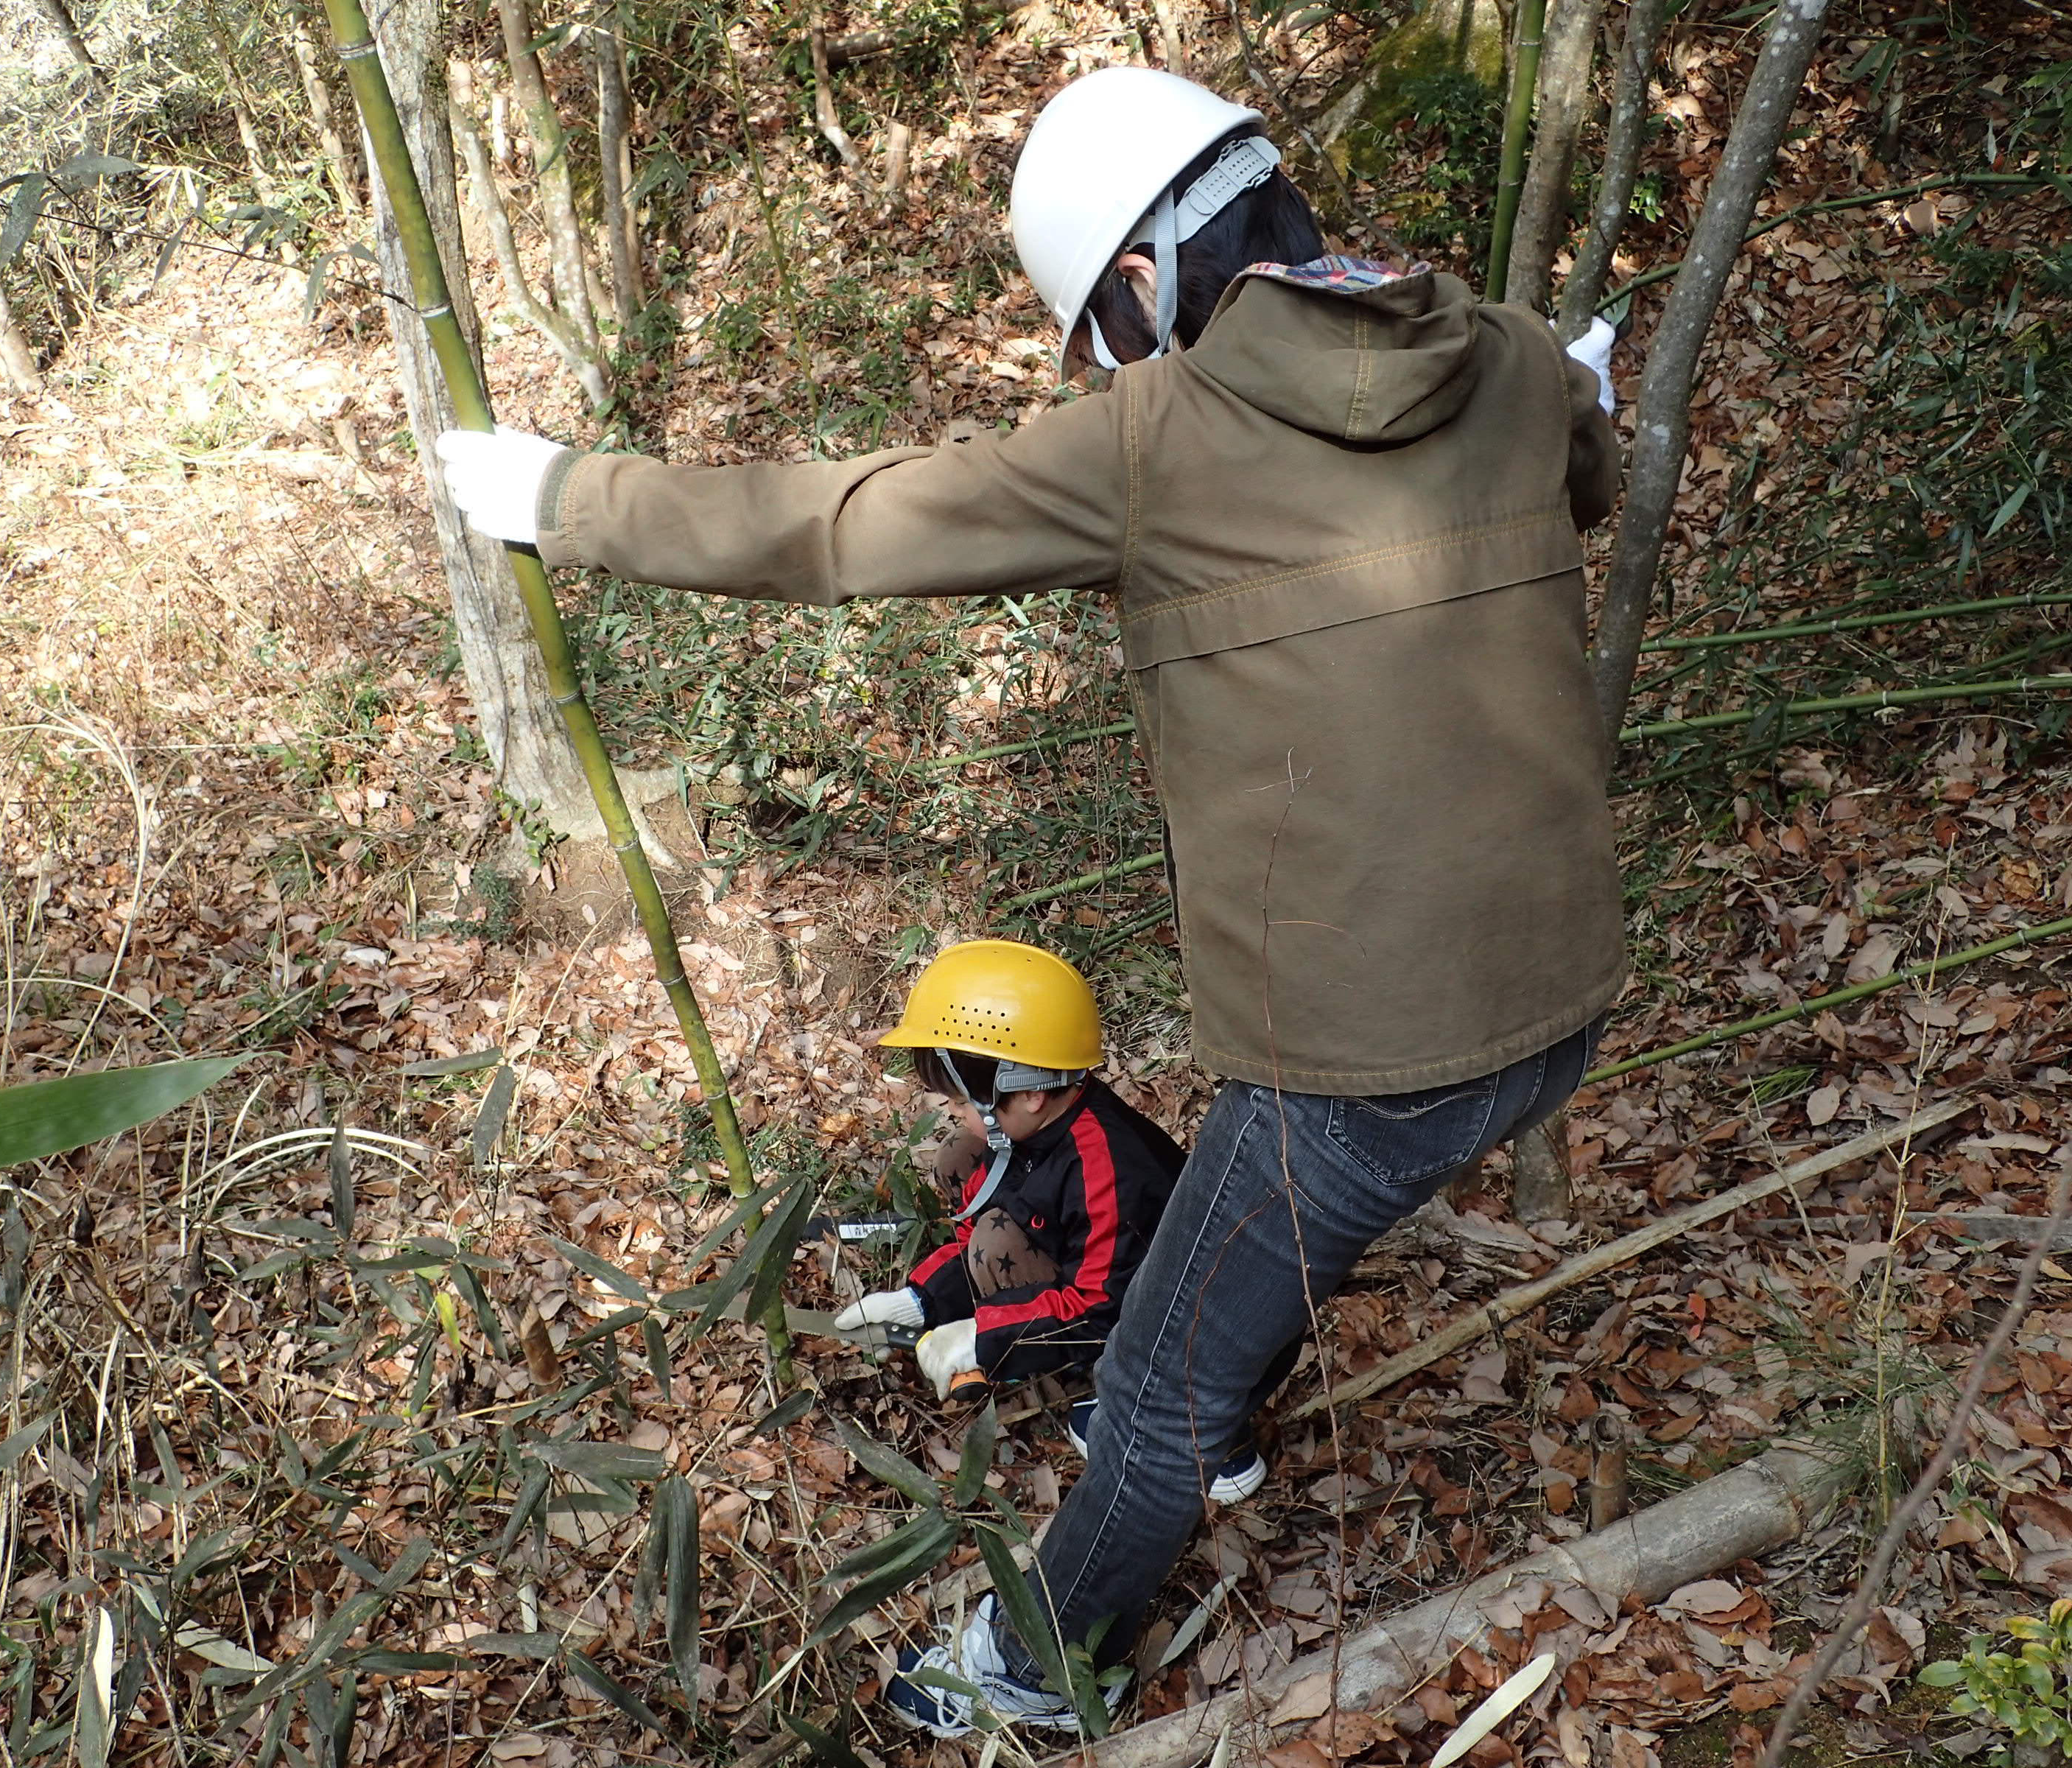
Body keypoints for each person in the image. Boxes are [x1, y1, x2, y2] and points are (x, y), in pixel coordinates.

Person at [435, 63, 1623, 1739]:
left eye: (1096, 336)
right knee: (1232, 1261)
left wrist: (567, 497)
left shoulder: (1156, 435)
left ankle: (1032, 1661)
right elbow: (1587, 476)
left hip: (1366, 1061)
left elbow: (838, 525)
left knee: (1147, 1376)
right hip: (1561, 996)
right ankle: (1213, 1410)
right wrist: (1582, 400)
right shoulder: (1500, 350)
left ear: (1139, 285)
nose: (1104, 367)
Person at [837, 940, 1207, 1434]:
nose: (949, 1111)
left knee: (995, 1239)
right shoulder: (1036, 1128)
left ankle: (1145, 1411)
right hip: (1086, 1276)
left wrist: (985, 1339)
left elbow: (1104, 1306)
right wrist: (923, 1302)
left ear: (1030, 1091)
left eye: (961, 1099)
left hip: (1172, 1331)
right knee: (960, 1157)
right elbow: (1004, 1213)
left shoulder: (1107, 1169)